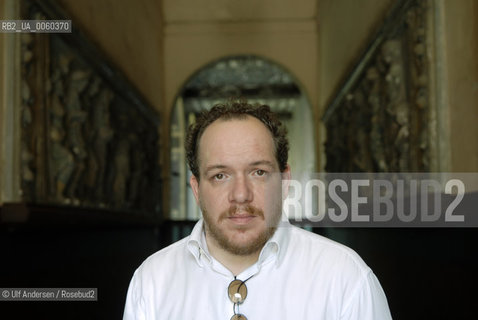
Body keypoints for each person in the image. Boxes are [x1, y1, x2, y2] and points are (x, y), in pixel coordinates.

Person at [123, 100, 392, 319]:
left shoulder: (346, 277)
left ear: (285, 181)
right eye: (220, 176)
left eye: (259, 172)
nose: (241, 194)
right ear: (196, 189)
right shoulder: (151, 281)